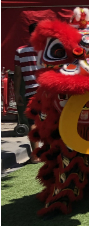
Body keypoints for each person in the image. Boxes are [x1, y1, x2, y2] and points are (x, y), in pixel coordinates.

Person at [14, 22, 41, 162]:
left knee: (33, 121)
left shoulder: (20, 51)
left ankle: (35, 155)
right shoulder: (46, 50)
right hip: (47, 91)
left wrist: (17, 93)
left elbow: (17, 75)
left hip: (30, 91)